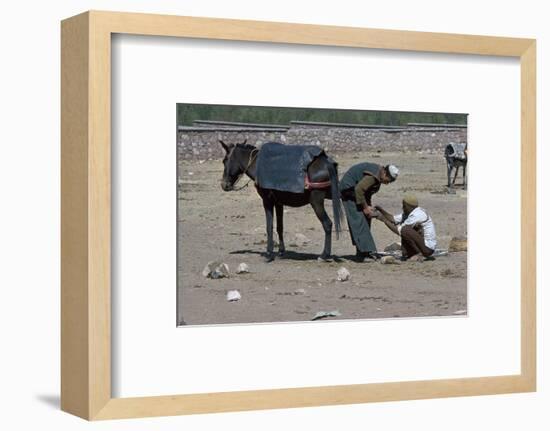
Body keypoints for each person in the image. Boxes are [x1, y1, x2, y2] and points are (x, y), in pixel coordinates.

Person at [339, 162, 399, 261]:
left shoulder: (378, 177)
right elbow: (359, 189)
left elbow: (367, 193)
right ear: (385, 173)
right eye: (388, 180)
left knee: (366, 219)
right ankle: (362, 254)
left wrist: (368, 206)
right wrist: (365, 207)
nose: (387, 183)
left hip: (357, 194)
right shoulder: (373, 177)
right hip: (348, 191)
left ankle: (365, 251)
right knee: (358, 220)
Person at [375, 193, 437, 261]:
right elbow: (393, 219)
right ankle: (410, 253)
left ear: (410, 206)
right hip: (423, 245)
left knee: (405, 230)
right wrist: (381, 210)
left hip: (428, 248)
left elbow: (400, 230)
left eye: (404, 206)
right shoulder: (409, 213)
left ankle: (420, 254)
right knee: (405, 230)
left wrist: (383, 219)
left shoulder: (417, 214)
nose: (403, 208)